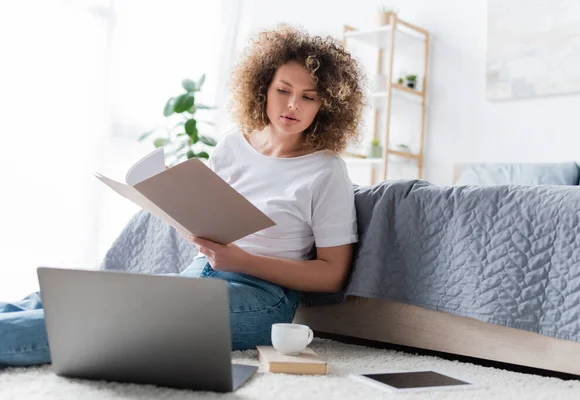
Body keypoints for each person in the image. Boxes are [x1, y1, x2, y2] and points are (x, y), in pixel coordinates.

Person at [0, 24, 366, 367]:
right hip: (198, 272)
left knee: (112, 316)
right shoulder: (232, 147)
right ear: (263, 88)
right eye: (283, 90)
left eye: (308, 97)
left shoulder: (325, 170)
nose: (292, 106)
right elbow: (206, 220)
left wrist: (240, 261)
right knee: (84, 293)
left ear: (325, 105)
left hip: (263, 298)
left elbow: (331, 276)